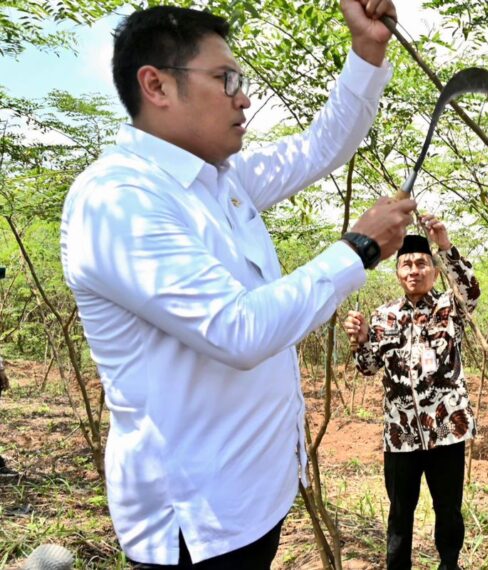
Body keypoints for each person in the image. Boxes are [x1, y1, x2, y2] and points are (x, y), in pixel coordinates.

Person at [58, 2, 414, 566]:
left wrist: (367, 51)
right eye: (226, 79)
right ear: (156, 85)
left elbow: (320, 147)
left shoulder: (219, 182)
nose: (243, 97)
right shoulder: (118, 201)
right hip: (195, 524)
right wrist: (360, 248)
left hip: (252, 500)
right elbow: (237, 329)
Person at [342, 218, 478, 570]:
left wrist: (445, 245)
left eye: (421, 263)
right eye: (406, 264)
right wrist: (359, 341)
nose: (414, 270)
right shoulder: (384, 315)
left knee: (449, 510)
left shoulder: (450, 307)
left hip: (446, 430)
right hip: (400, 435)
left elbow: (471, 289)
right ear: (398, 272)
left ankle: (450, 565)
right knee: (400, 513)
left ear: (433, 270)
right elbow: (369, 366)